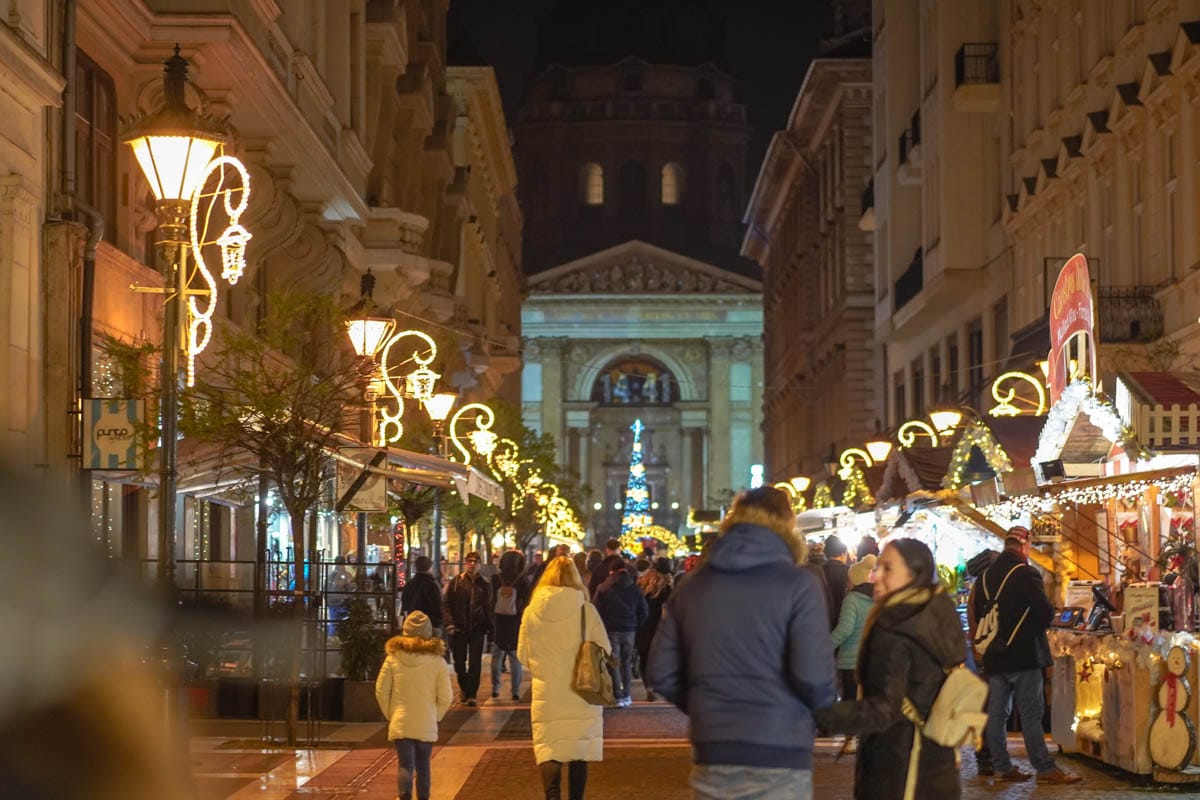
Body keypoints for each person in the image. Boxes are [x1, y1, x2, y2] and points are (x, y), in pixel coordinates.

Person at [647, 487, 836, 800]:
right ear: (786, 525)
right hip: (781, 745)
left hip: (715, 748)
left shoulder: (695, 584)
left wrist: (707, 705)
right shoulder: (799, 583)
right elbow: (814, 677)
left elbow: (661, 670)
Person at [814, 539, 966, 800]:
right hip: (938, 763)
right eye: (878, 567)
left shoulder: (894, 627)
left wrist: (817, 715)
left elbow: (884, 709)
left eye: (888, 569)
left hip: (898, 768)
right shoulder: (938, 612)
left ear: (913, 575)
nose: (877, 577)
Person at [973, 527, 1081, 784]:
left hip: (995, 655)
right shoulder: (1026, 573)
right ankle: (1044, 769)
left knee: (997, 714)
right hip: (1024, 655)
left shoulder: (985, 577)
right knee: (1031, 713)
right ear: (1024, 546)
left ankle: (1001, 767)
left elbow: (979, 615)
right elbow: (1044, 613)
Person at [518, 556, 612, 800]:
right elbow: (605, 648)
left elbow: (522, 655)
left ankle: (552, 796)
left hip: (546, 692)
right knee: (578, 749)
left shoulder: (531, 612)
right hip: (581, 689)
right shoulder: (585, 610)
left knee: (550, 748)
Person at [375, 611, 453, 800]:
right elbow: (446, 696)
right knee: (424, 766)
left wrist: (391, 714)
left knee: (405, 765)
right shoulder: (437, 661)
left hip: (401, 719)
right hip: (426, 720)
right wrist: (435, 716)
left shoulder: (393, 658)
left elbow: (381, 690)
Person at [593, 560, 648, 707]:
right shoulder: (635, 589)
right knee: (627, 662)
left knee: (614, 663)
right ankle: (627, 695)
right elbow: (644, 611)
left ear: (611, 572)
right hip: (629, 630)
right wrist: (635, 624)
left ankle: (618, 696)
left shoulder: (603, 588)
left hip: (611, 629)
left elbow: (596, 610)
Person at [964, 548, 999, 776]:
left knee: (989, 705)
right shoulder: (987, 589)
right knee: (990, 705)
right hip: (989, 654)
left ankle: (987, 754)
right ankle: (986, 754)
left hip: (983, 653)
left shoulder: (980, 588)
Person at [442, 552, 493, 706]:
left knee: (475, 662)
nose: (472, 564)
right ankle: (464, 686)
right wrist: (449, 623)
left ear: (480, 565)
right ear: (465, 564)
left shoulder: (485, 584)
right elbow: (446, 604)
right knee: (458, 661)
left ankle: (471, 694)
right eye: (469, 561)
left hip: (477, 628)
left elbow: (488, 607)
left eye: (475, 562)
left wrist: (490, 628)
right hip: (459, 628)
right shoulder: (457, 582)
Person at [831, 553, 876, 703]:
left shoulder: (852, 599)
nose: (847, 582)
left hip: (850, 662)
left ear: (855, 579)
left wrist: (824, 645)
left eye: (849, 579)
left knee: (849, 703)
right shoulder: (876, 599)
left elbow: (845, 629)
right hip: (869, 659)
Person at [491, 550, 531, 701]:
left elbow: (490, 600)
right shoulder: (522, 580)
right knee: (515, 656)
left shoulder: (495, 579)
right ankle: (515, 691)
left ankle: (495, 688)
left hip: (499, 620)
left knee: (497, 655)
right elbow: (528, 601)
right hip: (516, 622)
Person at [635, 557, 672, 701]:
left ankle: (649, 688)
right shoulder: (666, 587)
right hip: (659, 627)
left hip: (643, 626)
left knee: (644, 658)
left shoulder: (642, 583)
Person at [401, 556, 444, 636]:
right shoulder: (433, 585)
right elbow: (438, 606)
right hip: (431, 625)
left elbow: (405, 606)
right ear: (430, 567)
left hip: (412, 625)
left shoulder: (409, 585)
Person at [823, 534, 852, 629]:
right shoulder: (850, 571)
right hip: (846, 619)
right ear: (843, 554)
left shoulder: (820, 571)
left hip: (826, 620)